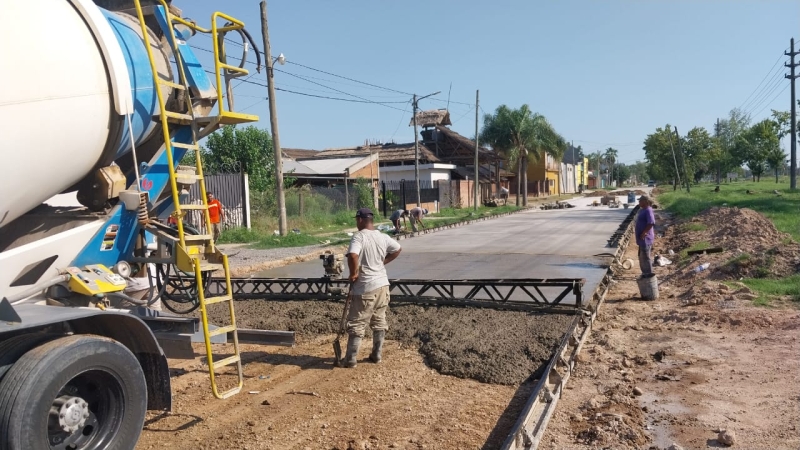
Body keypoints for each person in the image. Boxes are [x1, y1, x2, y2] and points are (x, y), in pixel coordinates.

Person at [344, 208, 402, 368]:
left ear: (360, 220)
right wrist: (382, 263)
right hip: (383, 286)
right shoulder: (382, 236)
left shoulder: (359, 236)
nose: (356, 223)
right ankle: (376, 355)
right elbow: (397, 249)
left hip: (366, 288)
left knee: (357, 323)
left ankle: (350, 359)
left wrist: (353, 273)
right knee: (379, 321)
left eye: (356, 220)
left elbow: (353, 255)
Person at [635, 195, 656, 278]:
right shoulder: (643, 210)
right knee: (641, 256)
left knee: (645, 256)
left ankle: (648, 274)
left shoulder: (648, 210)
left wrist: (644, 232)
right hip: (642, 238)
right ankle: (644, 273)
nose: (639, 202)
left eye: (640, 201)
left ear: (645, 201)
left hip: (645, 238)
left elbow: (651, 222)